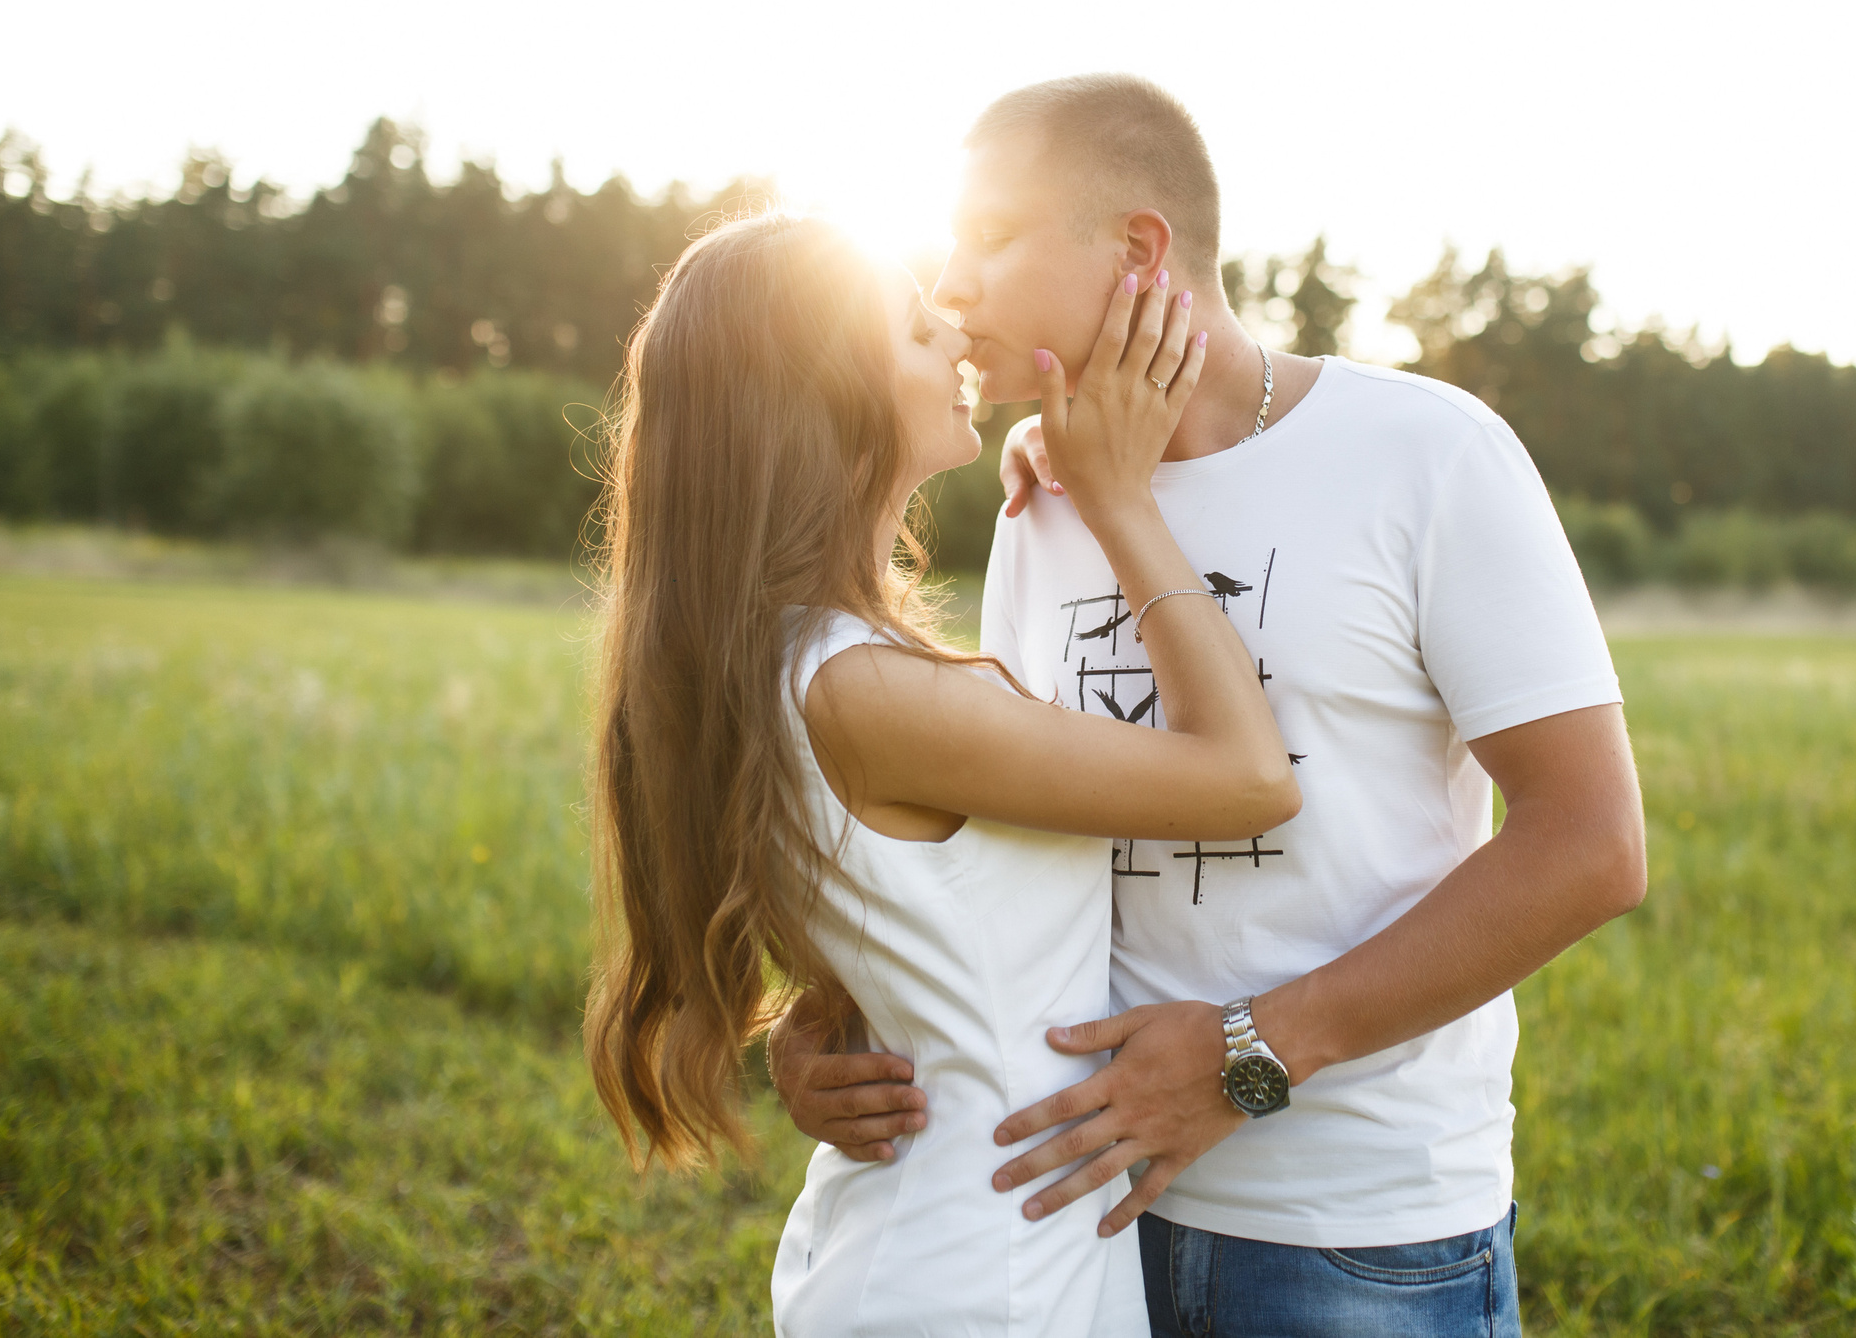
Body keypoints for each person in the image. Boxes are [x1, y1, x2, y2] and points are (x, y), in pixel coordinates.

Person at [771, 75, 1649, 1336]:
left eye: (991, 237)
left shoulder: (1430, 456)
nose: (949, 282)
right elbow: (1009, 834)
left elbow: (1591, 846)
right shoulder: (1041, 506)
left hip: (1351, 1239)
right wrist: (826, 1023)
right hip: (1082, 1211)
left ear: (1137, 249)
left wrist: (1249, 1056)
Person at [583, 210, 1302, 1337]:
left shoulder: (790, 655)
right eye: (920, 334)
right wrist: (1118, 498)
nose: (960, 338)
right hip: (980, 1277)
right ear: (826, 402)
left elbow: (909, 911)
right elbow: (1250, 779)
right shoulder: (868, 689)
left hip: (954, 1243)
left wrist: (829, 1017)